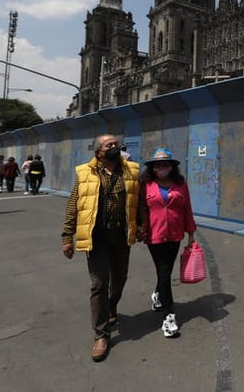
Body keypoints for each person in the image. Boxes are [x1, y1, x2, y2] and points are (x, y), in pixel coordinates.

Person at [61, 134, 144, 363]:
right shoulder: (85, 174)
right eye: (110, 145)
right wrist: (67, 236)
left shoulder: (131, 171)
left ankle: (111, 307)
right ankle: (101, 335)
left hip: (121, 235)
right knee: (99, 284)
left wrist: (141, 226)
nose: (115, 147)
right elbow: (73, 206)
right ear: (99, 152)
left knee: (120, 278)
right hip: (96, 236)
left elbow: (139, 202)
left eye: (116, 144)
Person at [140, 148, 197, 338]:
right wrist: (138, 228)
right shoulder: (145, 185)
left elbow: (187, 208)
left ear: (172, 167)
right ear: (152, 168)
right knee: (164, 272)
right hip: (154, 235)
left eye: (165, 165)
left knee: (165, 272)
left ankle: (158, 295)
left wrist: (191, 233)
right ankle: (168, 316)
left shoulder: (180, 184)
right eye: (157, 166)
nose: (161, 168)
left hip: (174, 235)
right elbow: (139, 209)